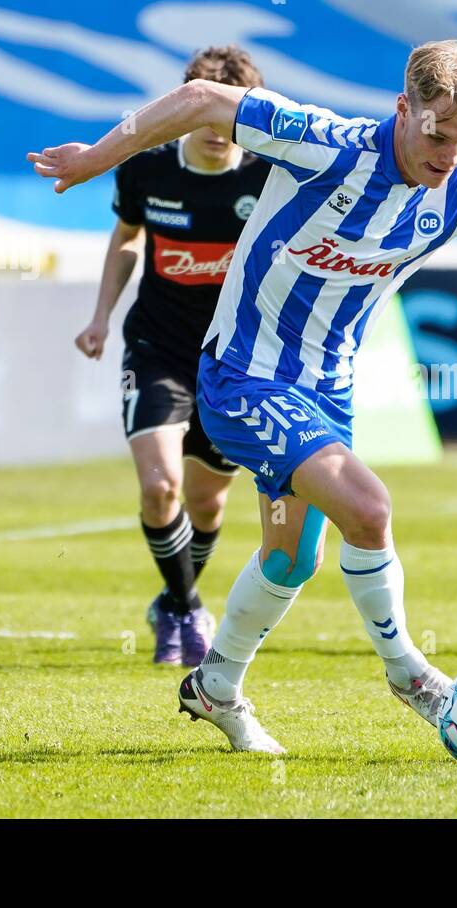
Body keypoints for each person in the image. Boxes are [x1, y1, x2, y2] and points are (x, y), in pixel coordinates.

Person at [30, 39, 457, 754]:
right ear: (403, 107)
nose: (448, 153)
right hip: (243, 377)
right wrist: (96, 159)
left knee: (292, 559)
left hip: (327, 389)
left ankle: (216, 685)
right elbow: (204, 99)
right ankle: (408, 674)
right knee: (370, 508)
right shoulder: (326, 145)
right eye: (437, 134)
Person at [72, 46, 271, 666]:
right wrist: (102, 316)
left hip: (234, 358)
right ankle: (185, 610)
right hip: (155, 346)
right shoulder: (145, 170)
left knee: (209, 502)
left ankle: (173, 600)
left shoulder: (269, 178)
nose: (216, 132)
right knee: (161, 487)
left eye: (229, 118)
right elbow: (128, 237)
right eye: (202, 114)